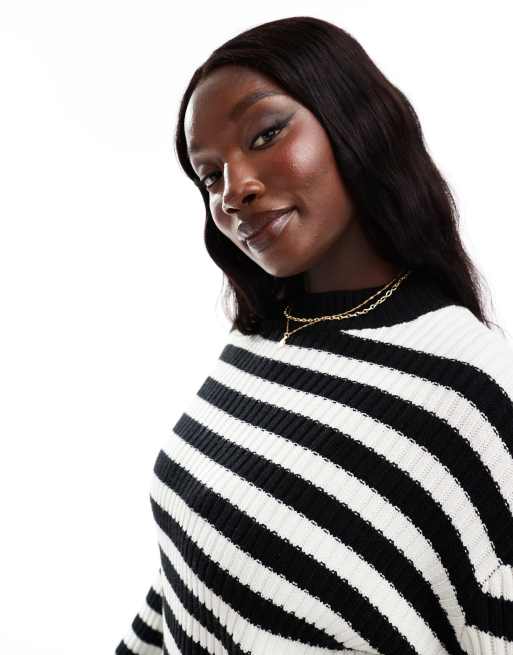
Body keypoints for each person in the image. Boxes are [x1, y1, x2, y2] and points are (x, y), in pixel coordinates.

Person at [115, 15, 513, 655]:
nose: (233, 192)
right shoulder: (259, 339)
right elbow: (190, 568)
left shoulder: (476, 398)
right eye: (210, 176)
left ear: (354, 119)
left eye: (265, 134)